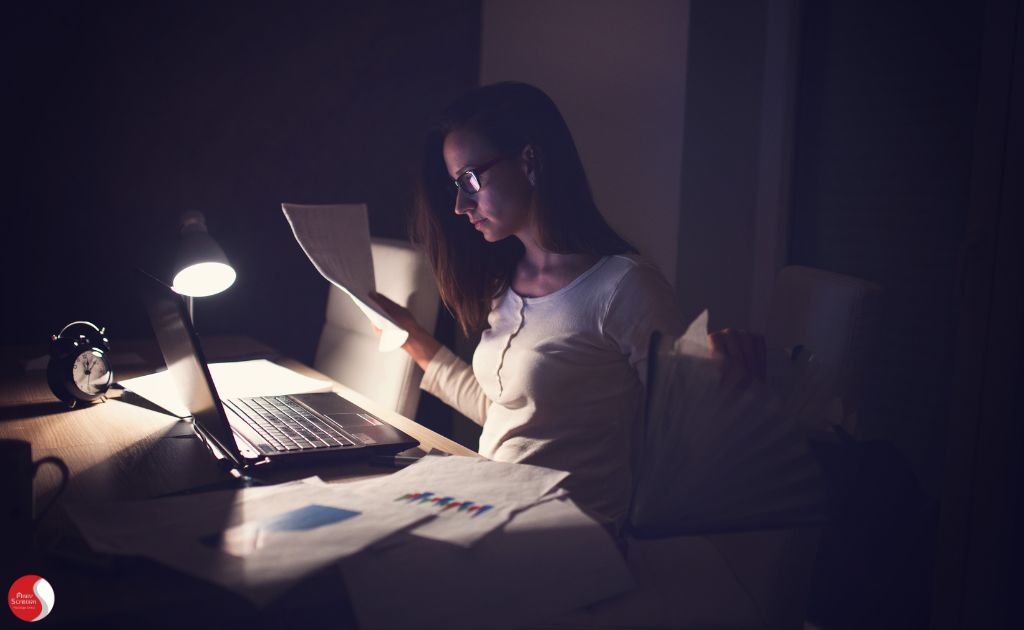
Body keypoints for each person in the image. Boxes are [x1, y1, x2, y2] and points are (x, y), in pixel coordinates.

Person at [372, 81, 763, 528]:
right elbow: (514, 414)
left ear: (529, 161)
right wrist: (414, 341)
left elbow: (681, 439)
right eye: (454, 186)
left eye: (469, 180)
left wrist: (726, 375)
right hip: (493, 509)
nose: (461, 205)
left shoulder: (624, 287)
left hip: (570, 533)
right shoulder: (508, 283)